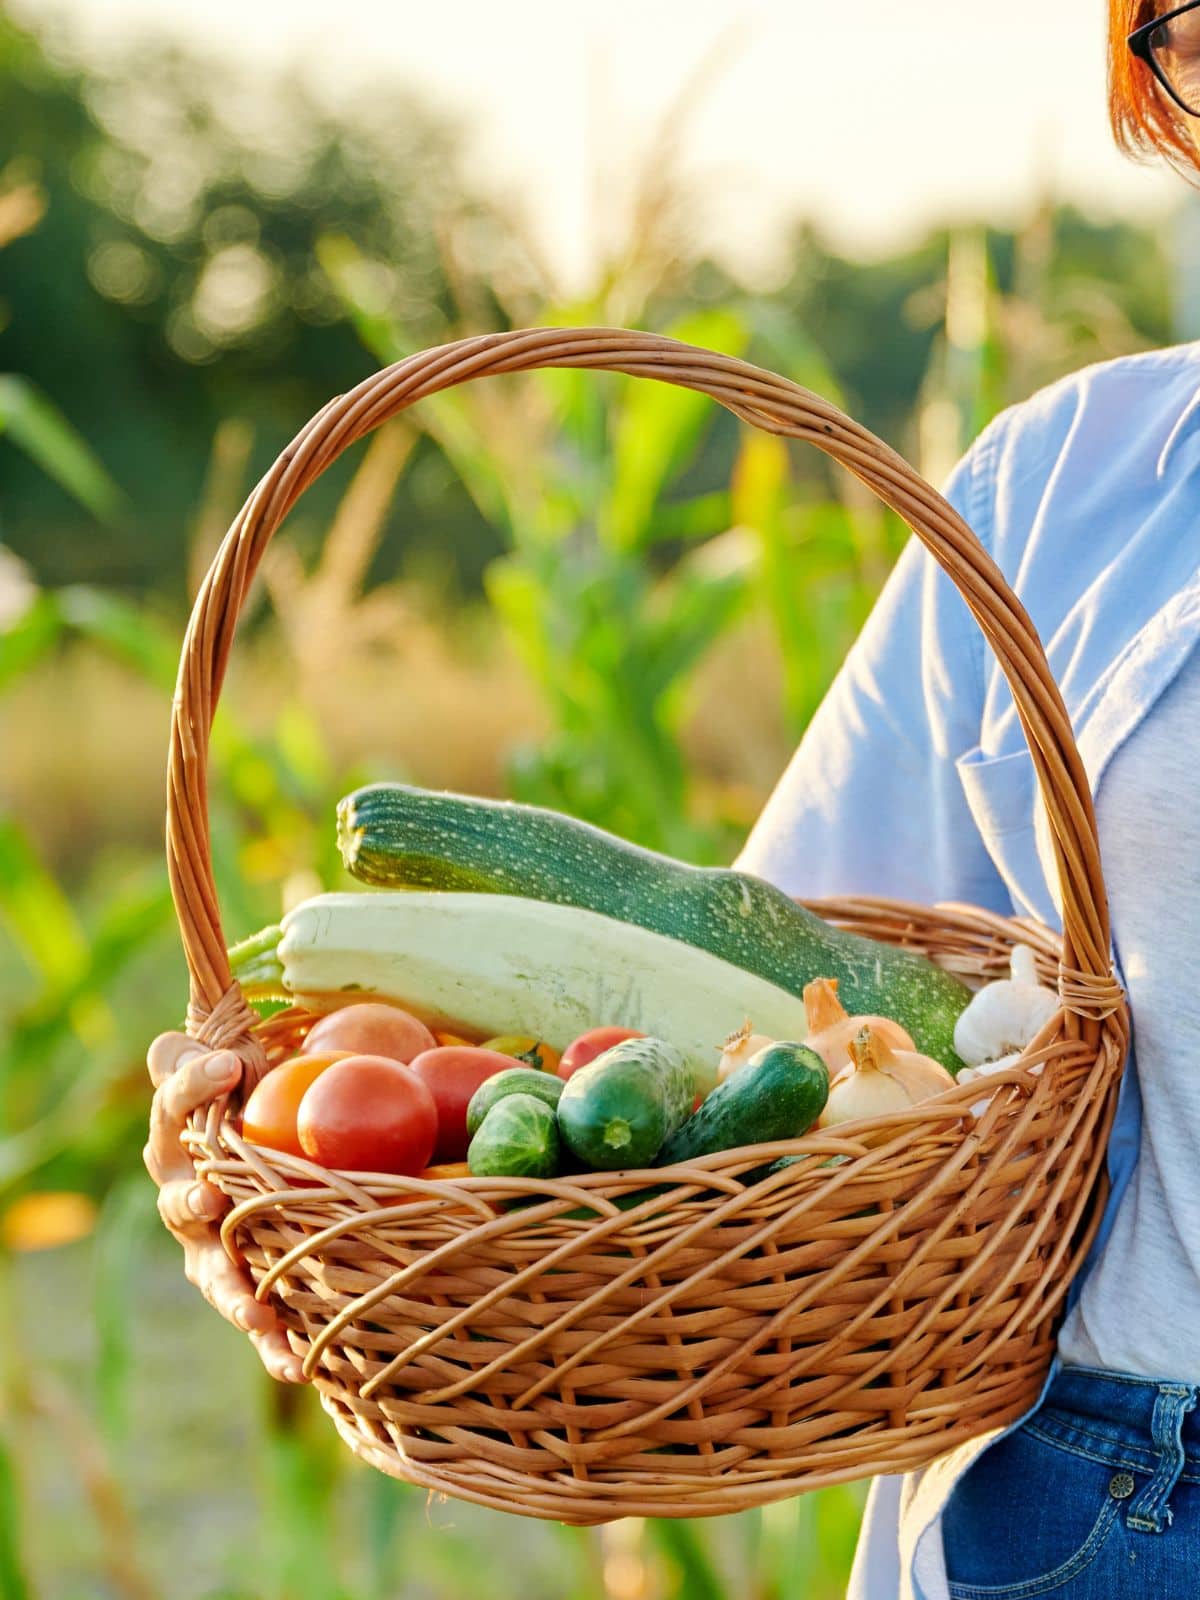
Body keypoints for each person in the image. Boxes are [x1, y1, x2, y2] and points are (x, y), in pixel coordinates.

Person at [144, 2, 1200, 1592]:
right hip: (1097, 1505)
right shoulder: (1073, 483)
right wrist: (321, 1213)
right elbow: (767, 1039)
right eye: (1192, 26)